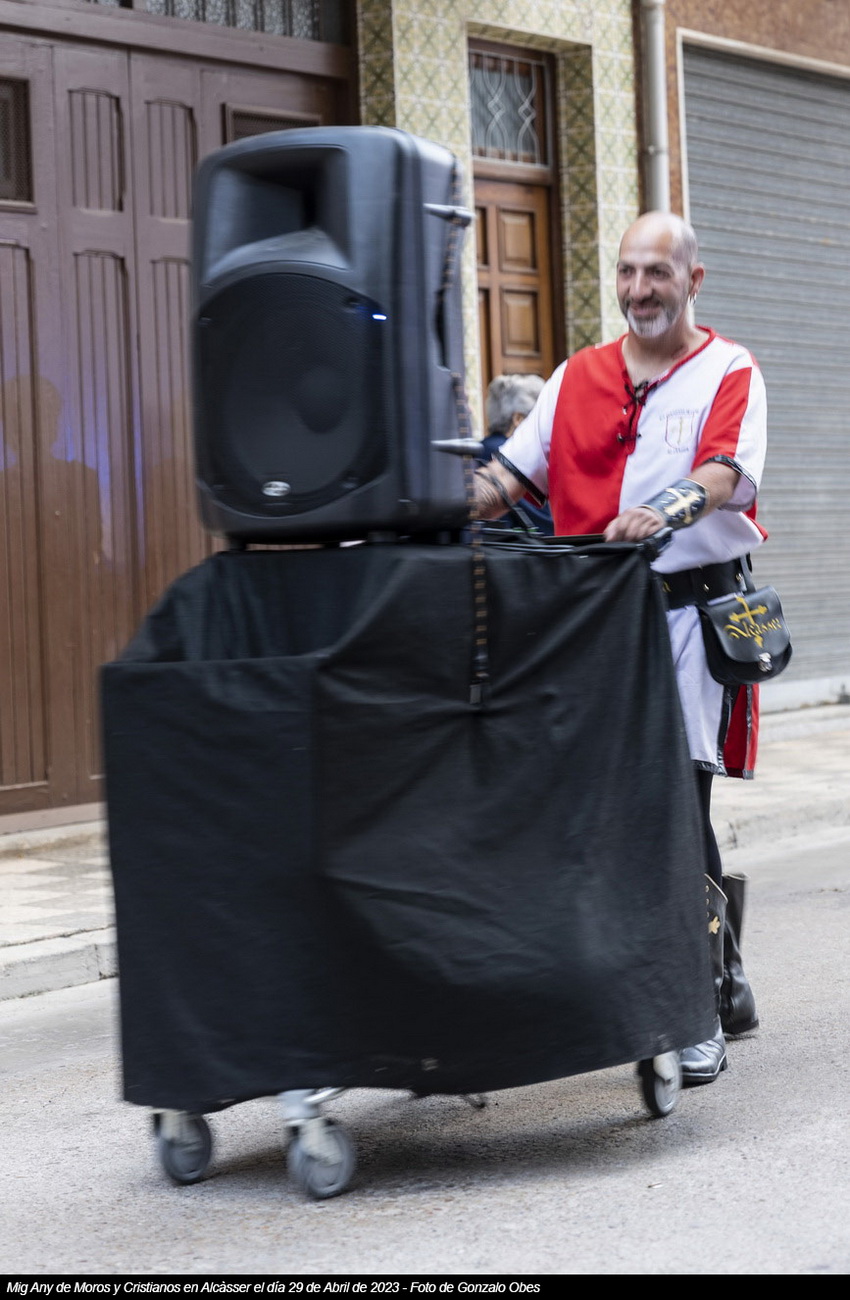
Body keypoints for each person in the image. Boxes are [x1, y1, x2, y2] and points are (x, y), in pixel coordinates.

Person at [472, 210, 766, 1086]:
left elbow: (725, 473)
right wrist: (435, 500)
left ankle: (696, 1008)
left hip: (686, 615)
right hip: (590, 621)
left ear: (692, 280)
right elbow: (509, 476)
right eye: (629, 272)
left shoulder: (729, 369)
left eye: (658, 273)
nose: (640, 290)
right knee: (598, 807)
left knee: (672, 805)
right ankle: (726, 976)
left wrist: (666, 509)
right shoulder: (576, 377)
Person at [476, 374, 553, 534]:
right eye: (537, 419)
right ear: (518, 419)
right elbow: (544, 523)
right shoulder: (510, 458)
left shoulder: (480, 448)